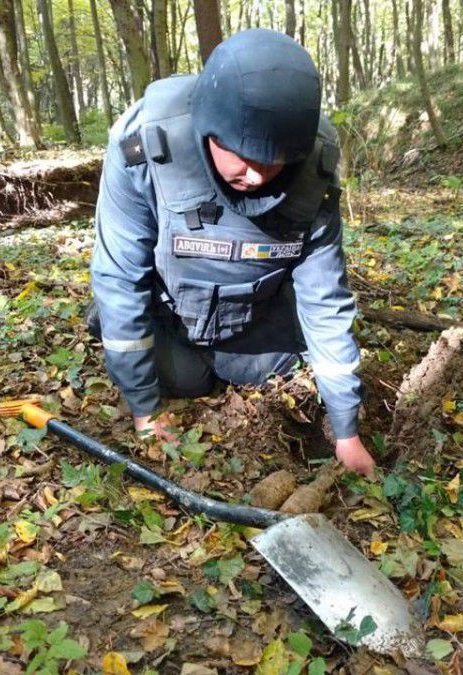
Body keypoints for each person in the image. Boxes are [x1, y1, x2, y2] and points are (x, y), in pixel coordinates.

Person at [88, 28, 375, 477]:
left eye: (273, 160)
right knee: (184, 378)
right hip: (172, 316)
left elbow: (324, 299)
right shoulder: (147, 145)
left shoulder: (313, 167)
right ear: (209, 128)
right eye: (242, 154)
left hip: (255, 319)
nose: (256, 176)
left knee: (288, 369)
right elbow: (120, 277)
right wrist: (144, 410)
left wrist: (346, 431)